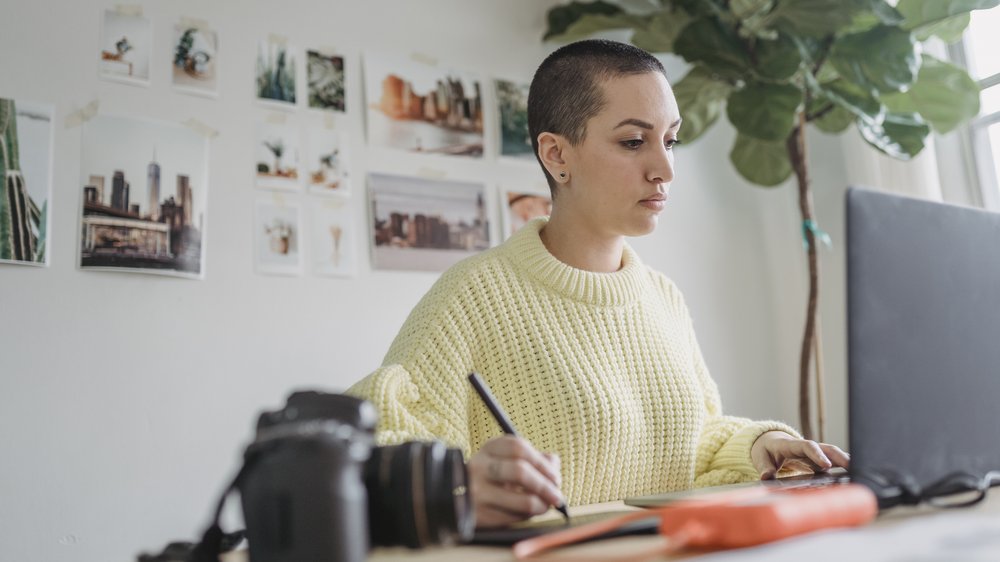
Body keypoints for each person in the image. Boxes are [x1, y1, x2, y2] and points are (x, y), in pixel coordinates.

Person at [348, 39, 849, 529]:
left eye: (669, 140)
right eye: (634, 141)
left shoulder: (662, 297)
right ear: (556, 156)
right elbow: (374, 453)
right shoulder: (473, 295)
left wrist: (756, 445)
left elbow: (689, 444)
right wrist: (459, 485)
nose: (664, 168)